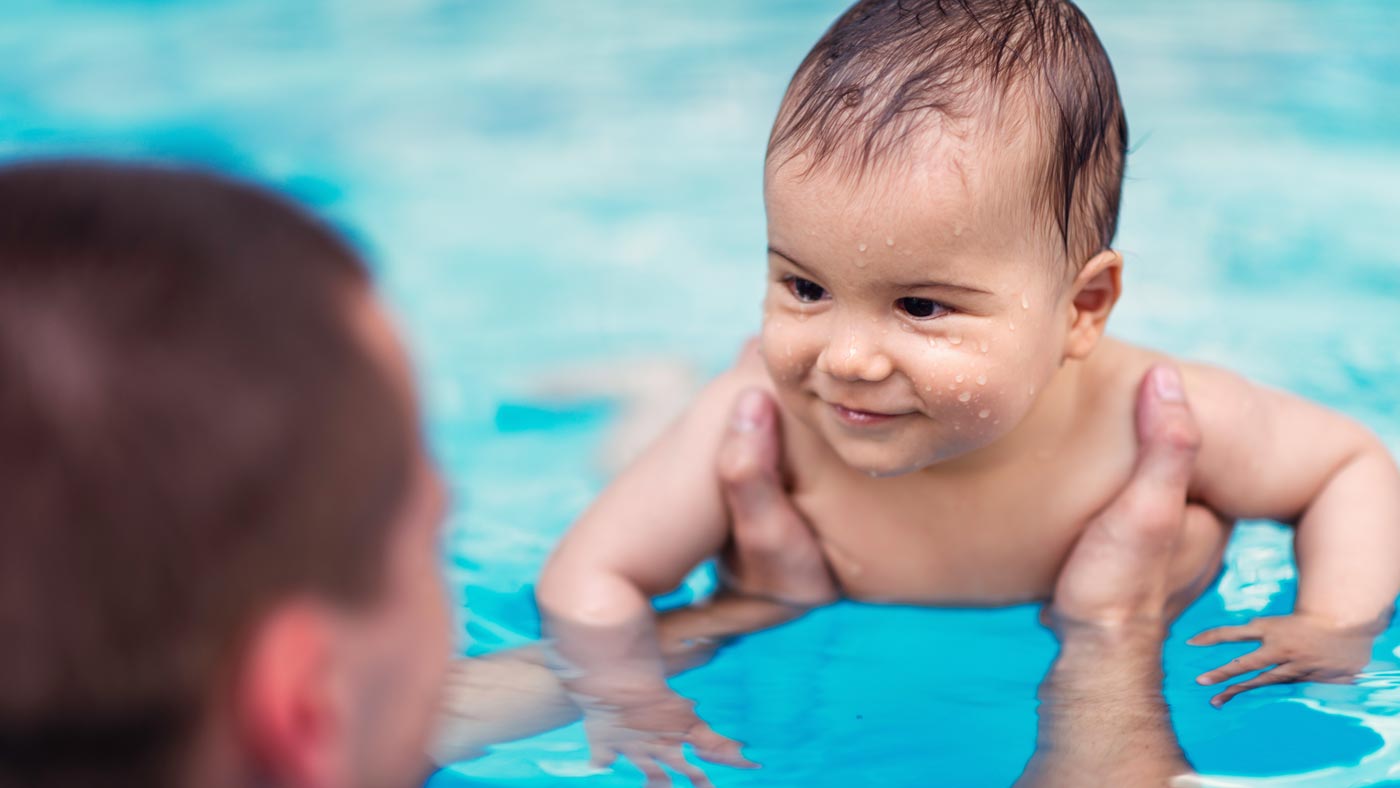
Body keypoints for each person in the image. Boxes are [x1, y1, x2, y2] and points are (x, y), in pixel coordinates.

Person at [536, 0, 1400, 775]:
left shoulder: (1150, 415)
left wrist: (1333, 622)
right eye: (804, 287)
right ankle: (654, 386)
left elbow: (1351, 467)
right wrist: (623, 692)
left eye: (919, 305)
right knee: (640, 450)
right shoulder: (765, 415)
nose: (848, 359)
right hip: (723, 479)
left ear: (1082, 308)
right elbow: (589, 576)